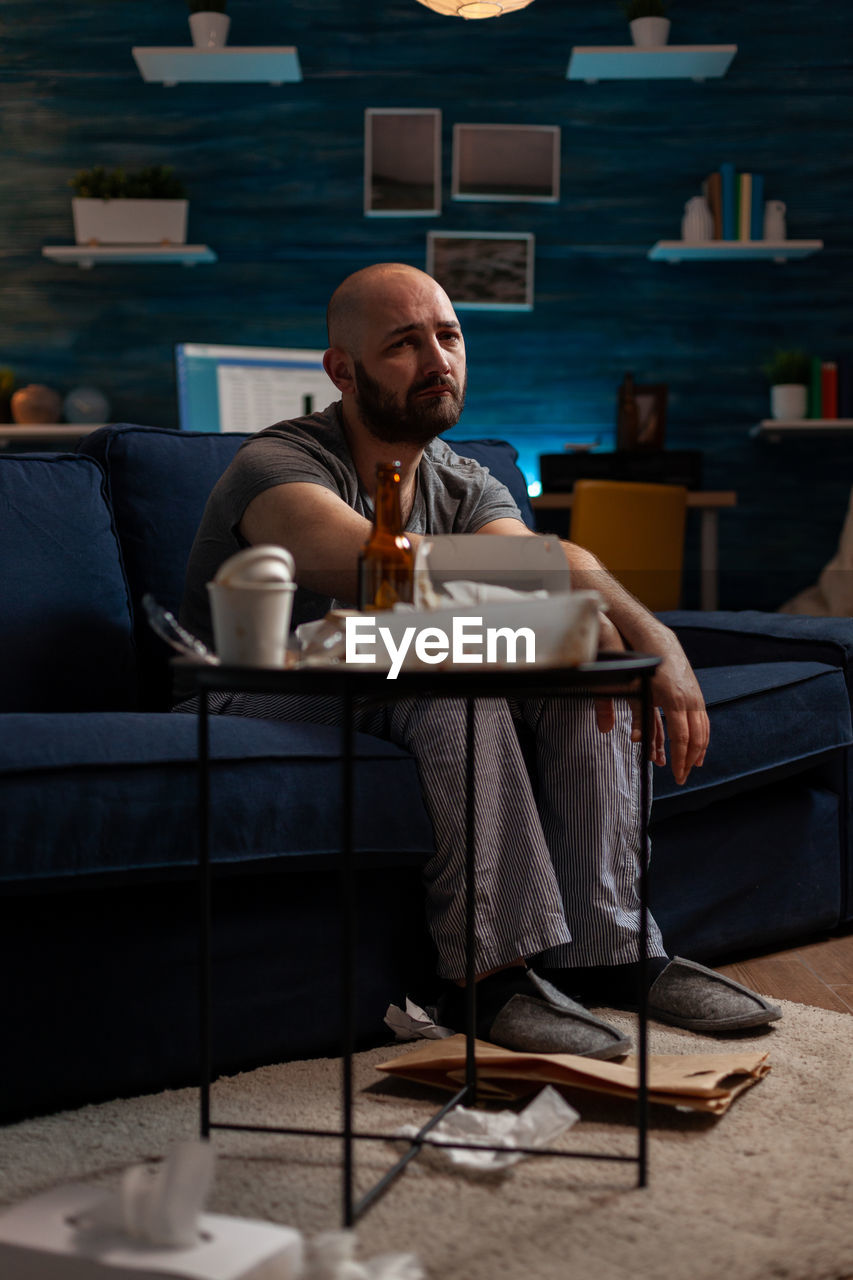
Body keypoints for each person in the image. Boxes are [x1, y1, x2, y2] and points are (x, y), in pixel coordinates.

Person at [176, 262, 781, 1056]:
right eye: (404, 344)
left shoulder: (467, 478)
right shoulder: (278, 463)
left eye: (448, 336)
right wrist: (557, 579)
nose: (438, 360)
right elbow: (367, 562)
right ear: (341, 371)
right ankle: (484, 980)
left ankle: (611, 951)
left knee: (572, 670)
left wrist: (650, 635)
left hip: (391, 673)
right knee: (462, 675)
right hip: (250, 693)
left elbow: (539, 565)